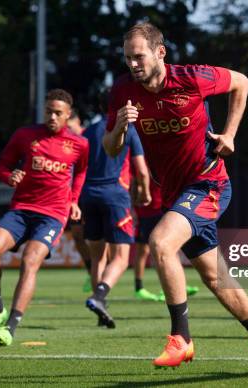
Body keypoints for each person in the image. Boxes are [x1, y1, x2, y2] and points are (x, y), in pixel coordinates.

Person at [103, 22, 248, 376]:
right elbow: (111, 148)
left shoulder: (191, 77)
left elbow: (242, 82)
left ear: (160, 52)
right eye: (127, 58)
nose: (133, 64)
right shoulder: (123, 90)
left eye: (138, 56)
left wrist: (230, 133)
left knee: (160, 242)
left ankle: (180, 338)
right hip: (176, 194)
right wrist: (121, 125)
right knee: (215, 279)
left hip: (208, 184)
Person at [0, 89, 89, 345]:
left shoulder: (79, 144)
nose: (52, 116)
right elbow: (2, 166)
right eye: (49, 111)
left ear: (67, 115)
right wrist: (9, 177)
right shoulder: (25, 135)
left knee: (30, 260)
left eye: (58, 113)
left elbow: (81, 172)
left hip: (53, 215)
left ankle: (11, 327)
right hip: (21, 209)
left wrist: (74, 200)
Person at [81, 89, 151, 328]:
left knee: (97, 257)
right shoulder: (128, 129)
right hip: (114, 195)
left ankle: (100, 307)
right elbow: (141, 170)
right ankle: (99, 296)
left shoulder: (87, 131)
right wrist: (145, 193)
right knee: (121, 258)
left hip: (88, 195)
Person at [133, 178, 200, 302]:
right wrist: (134, 208)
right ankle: (139, 288)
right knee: (144, 250)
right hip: (147, 211)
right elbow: (136, 183)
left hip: (165, 208)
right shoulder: (141, 162)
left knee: (171, 247)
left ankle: (178, 285)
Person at [66, 109, 94, 292]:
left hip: (93, 192)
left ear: (79, 122)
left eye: (69, 127)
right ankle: (92, 271)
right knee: (77, 235)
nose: (67, 131)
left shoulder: (91, 137)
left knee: (97, 236)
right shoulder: (66, 142)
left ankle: (100, 273)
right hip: (75, 195)